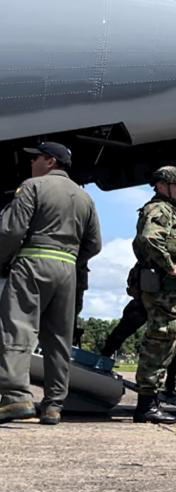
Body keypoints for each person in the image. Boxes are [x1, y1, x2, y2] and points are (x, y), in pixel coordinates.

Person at [0, 142, 102, 426]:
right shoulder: (84, 198)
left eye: (35, 158)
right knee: (58, 339)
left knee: (19, 327)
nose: (31, 162)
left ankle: (14, 396)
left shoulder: (33, 186)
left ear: (50, 161)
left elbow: (11, 230)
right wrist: (69, 258)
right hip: (67, 270)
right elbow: (94, 244)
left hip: (32, 264)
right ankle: (54, 405)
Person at [130, 166, 176, 424]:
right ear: (160, 186)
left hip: (167, 289)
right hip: (162, 287)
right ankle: (146, 404)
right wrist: (171, 266)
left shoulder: (170, 211)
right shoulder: (159, 210)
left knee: (165, 340)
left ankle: (150, 402)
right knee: (160, 339)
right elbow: (149, 239)